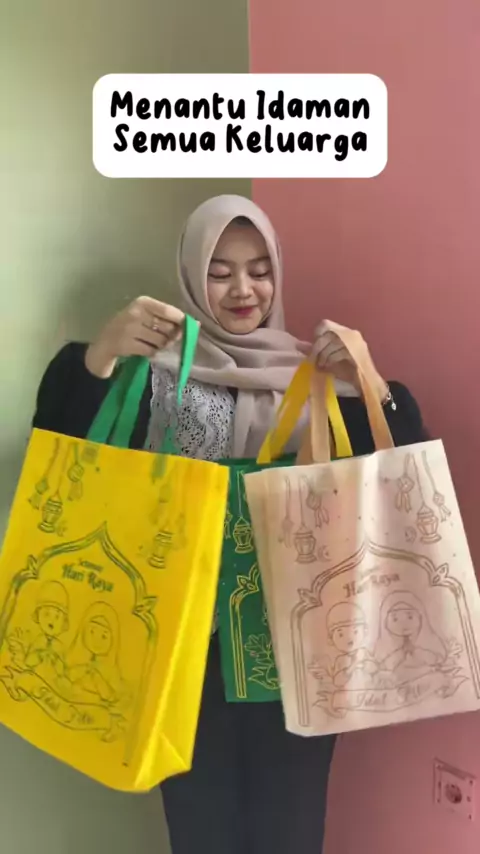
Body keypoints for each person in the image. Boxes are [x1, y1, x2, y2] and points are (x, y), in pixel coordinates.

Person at [33, 194, 428, 854]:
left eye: (259, 270)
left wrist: (370, 380)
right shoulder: (154, 378)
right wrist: (99, 355)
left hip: (299, 649)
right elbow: (65, 458)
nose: (243, 289)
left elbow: (402, 477)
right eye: (219, 272)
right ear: (191, 275)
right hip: (184, 652)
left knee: (291, 828)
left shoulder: (319, 380)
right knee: (201, 829)